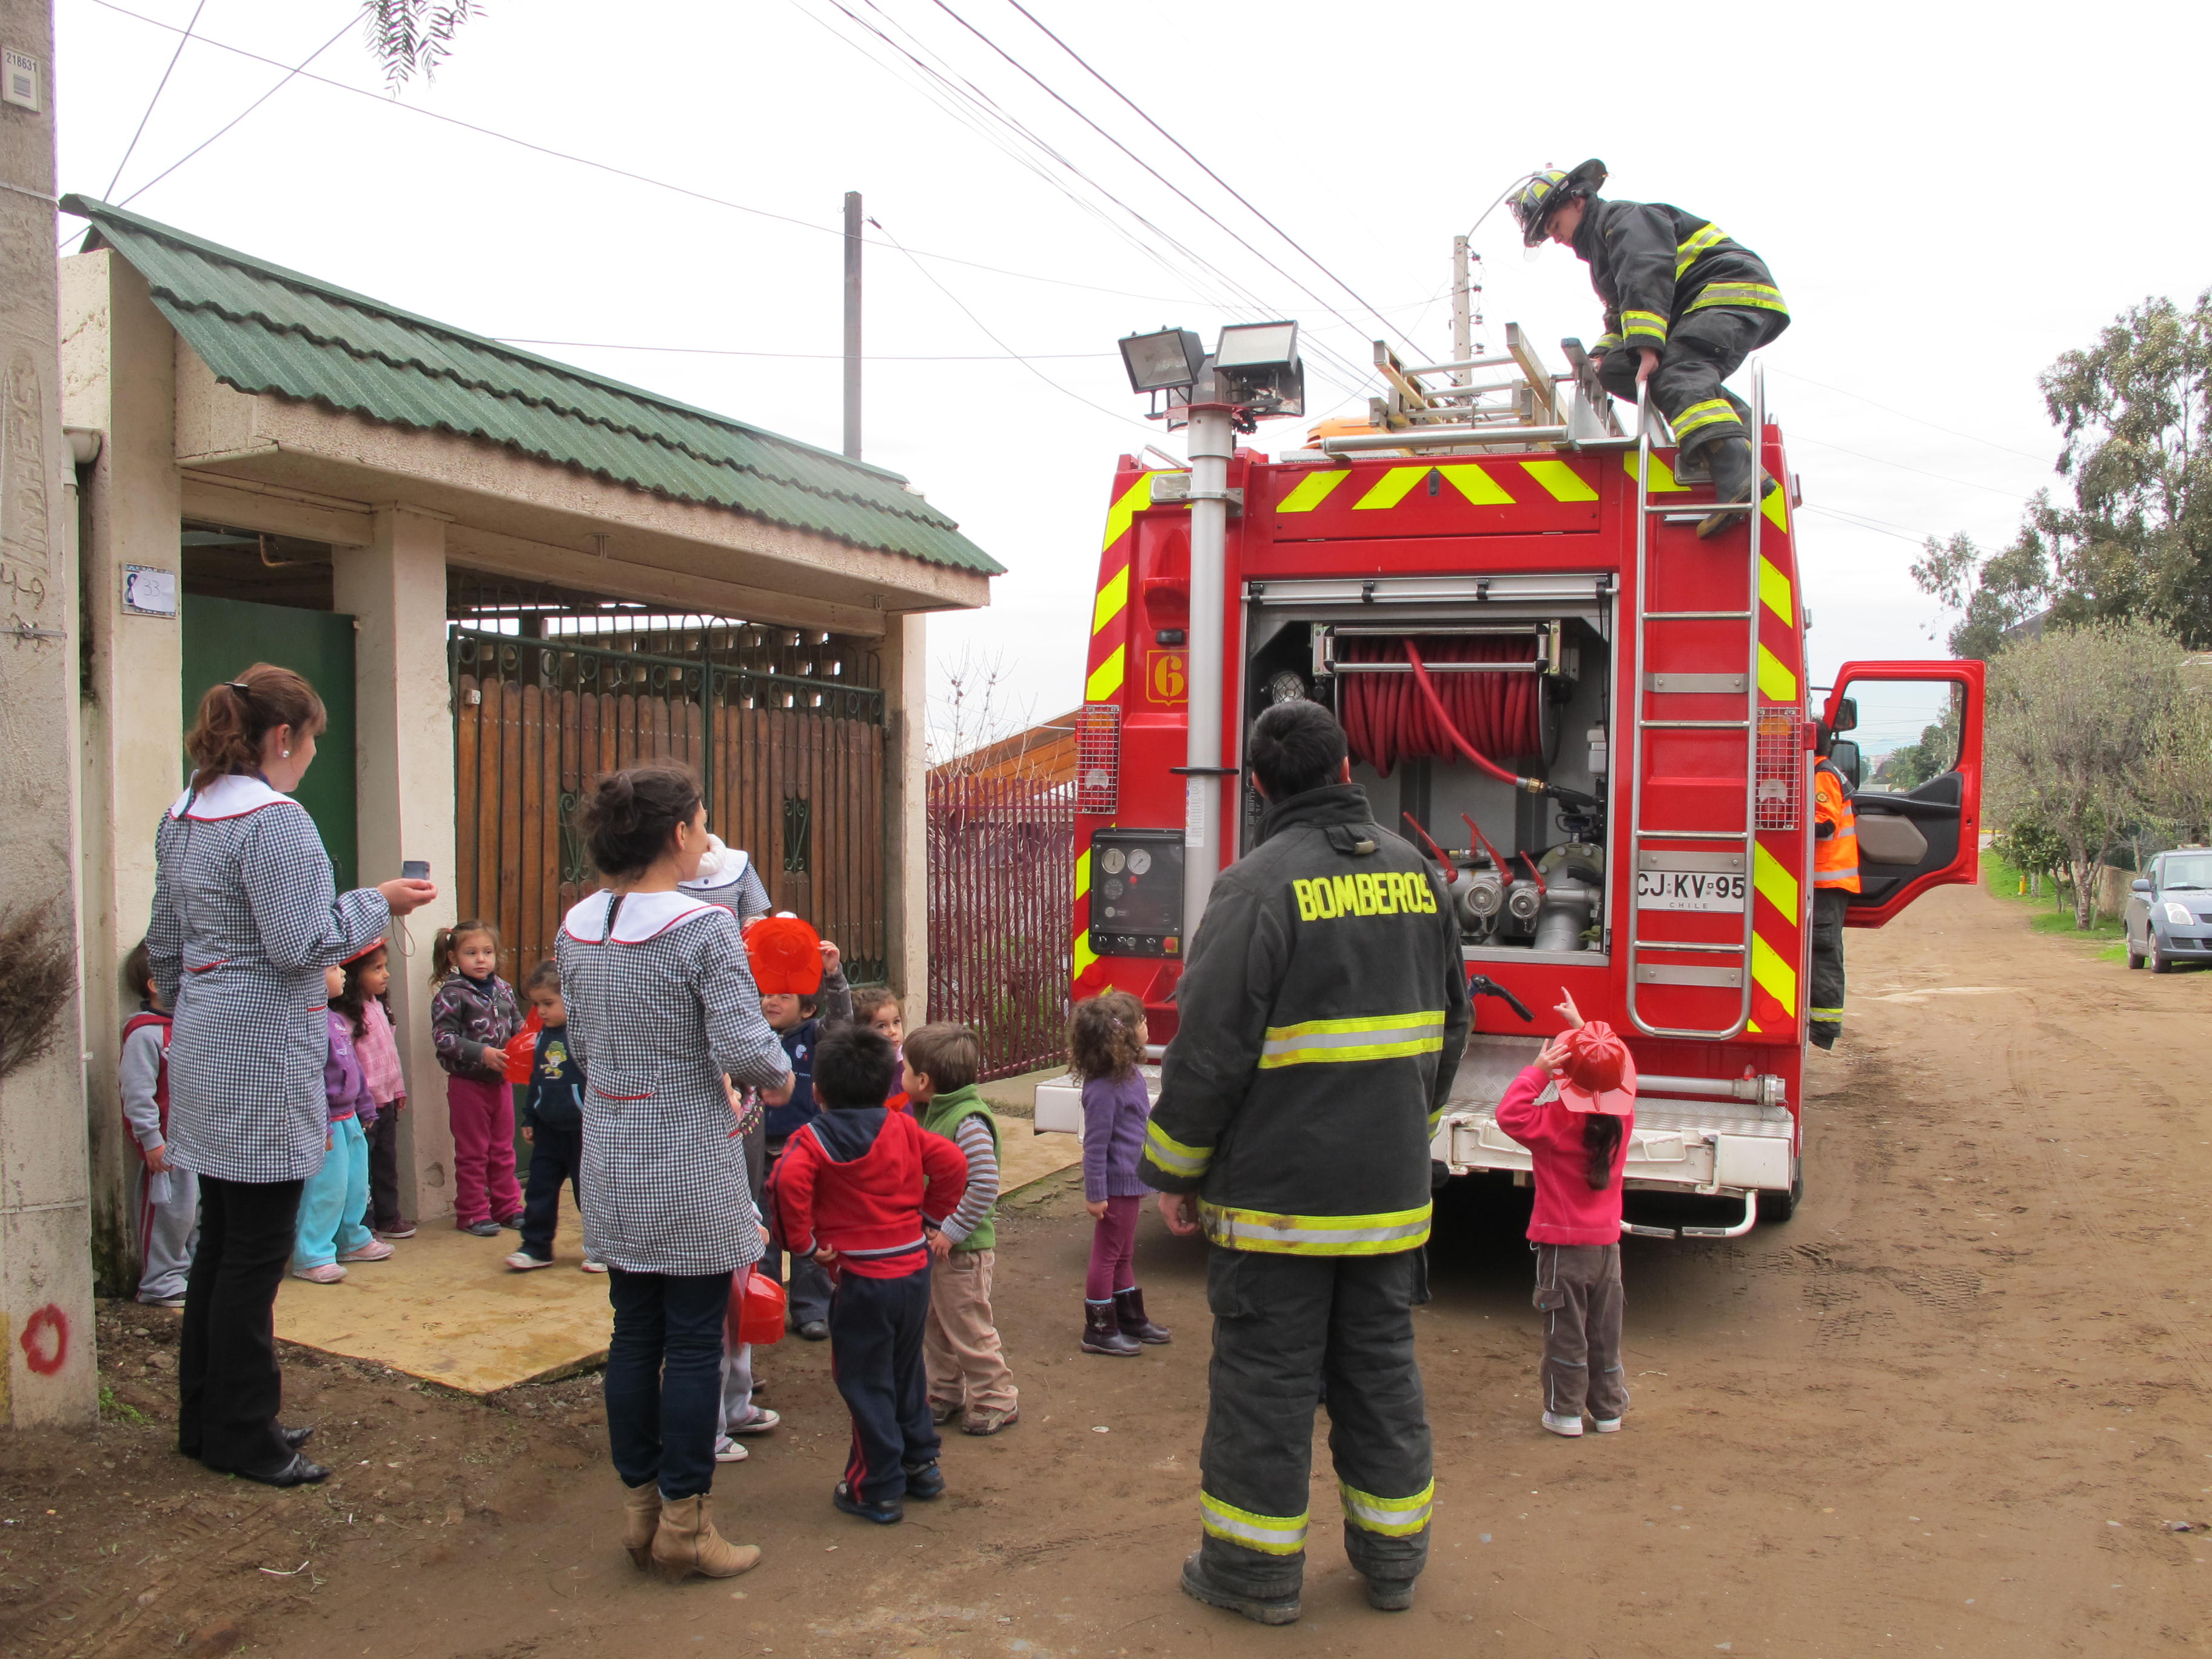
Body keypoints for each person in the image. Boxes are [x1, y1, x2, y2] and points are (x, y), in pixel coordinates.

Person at [1139, 698, 1470, 1624]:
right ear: (1348, 767)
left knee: (1266, 1384)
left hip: (1278, 1208)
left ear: (1257, 784)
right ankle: (1395, 1562)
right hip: (1389, 1199)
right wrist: (1409, 1121)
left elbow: (1209, 1052)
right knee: (1381, 1375)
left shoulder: (1255, 888)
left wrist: (1176, 1171)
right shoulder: (1419, 876)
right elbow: (1455, 1020)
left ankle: (1252, 1576)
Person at [148, 663, 434, 1486]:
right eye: (309, 742)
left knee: (224, 1239)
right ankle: (244, 1431)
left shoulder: (186, 813)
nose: (308, 758)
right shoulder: (277, 823)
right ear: (282, 738)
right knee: (255, 1250)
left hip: (203, 1035)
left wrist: (193, 1005)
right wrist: (378, 902)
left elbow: (165, 940)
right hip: (264, 1044)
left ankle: (208, 1416)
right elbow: (302, 943)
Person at [555, 763, 794, 1583]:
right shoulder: (701, 929)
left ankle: (641, 1512)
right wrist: (781, 1073)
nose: (704, 837)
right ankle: (688, 1526)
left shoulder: (578, 925)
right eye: (700, 822)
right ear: (676, 833)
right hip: (688, 1151)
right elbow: (741, 1044)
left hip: (613, 1150)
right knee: (694, 1340)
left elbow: (582, 1046)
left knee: (633, 1331)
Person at [1510, 158, 1789, 537]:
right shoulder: (1604, 251)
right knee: (1617, 371)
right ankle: (1735, 429)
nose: (1555, 238)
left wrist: (1647, 346)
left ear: (1577, 201)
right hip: (1700, 303)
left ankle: (1737, 474)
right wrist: (1600, 358)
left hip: (1728, 289)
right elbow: (1621, 313)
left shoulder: (1624, 220)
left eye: (1554, 226)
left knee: (1679, 372)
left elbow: (1647, 273)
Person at [770, 1024, 968, 1525]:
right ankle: (921, 1464)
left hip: (862, 1279)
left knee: (864, 1380)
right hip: (913, 1272)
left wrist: (806, 1246)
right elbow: (952, 1163)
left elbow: (785, 1179)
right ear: (890, 1087)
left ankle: (875, 1486)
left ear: (817, 1092)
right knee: (905, 1369)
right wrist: (930, 1215)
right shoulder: (903, 1127)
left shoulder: (811, 1139)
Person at [1492, 993, 1638, 1437]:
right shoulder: (1623, 1118)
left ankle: (1565, 1412)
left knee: (1565, 1332)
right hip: (1606, 1248)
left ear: (1565, 1079)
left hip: (1562, 1252)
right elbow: (1621, 1064)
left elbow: (1509, 1114)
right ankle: (1609, 1411)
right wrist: (1587, 1031)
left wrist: (1539, 1067)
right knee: (1604, 1332)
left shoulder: (1554, 1122)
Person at [905, 1024, 1021, 1436]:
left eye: (905, 1068)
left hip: (962, 1250)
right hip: (937, 1247)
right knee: (935, 1323)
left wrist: (952, 1231)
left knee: (968, 1326)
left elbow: (985, 1183)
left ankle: (996, 1397)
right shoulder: (932, 1112)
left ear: (923, 1080)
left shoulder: (967, 1121)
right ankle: (944, 1391)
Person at [752, 916, 851, 1341]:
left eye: (784, 995)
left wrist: (833, 975)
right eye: (767, 992)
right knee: (765, 1237)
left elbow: (843, 1022)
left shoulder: (814, 1035)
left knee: (808, 1233)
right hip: (757, 1151)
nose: (771, 1000)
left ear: (808, 1007)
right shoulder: (750, 1034)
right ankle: (767, 1303)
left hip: (801, 1152)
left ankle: (812, 1307)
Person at [1070, 989, 1168, 1358]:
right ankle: (1098, 1328)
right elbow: (1095, 1147)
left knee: (1124, 1254)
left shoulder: (1129, 1077)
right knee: (1107, 1255)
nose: (1146, 1025)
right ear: (1121, 1035)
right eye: (1140, 1021)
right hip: (1114, 1187)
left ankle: (1130, 1318)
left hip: (1129, 1181)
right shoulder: (1105, 1090)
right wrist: (1096, 1195)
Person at [290, 963, 390, 1284]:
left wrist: (366, 1107)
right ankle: (312, 1253)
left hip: (350, 1118)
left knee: (356, 1183)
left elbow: (355, 1069)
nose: (343, 973)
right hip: (326, 1123)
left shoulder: (333, 1019)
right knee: (326, 1189)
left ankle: (352, 1238)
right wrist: (320, 1125)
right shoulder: (301, 1023)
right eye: (334, 967)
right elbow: (306, 1080)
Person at [429, 919, 526, 1238]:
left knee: (503, 1149)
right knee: (473, 1151)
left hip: (502, 1082)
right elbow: (444, 1038)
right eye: (471, 953)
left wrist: (531, 1041)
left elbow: (518, 1025)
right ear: (455, 958)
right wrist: (481, 1053)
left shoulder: (504, 989)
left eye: (487, 952)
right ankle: (472, 1212)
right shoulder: (451, 996)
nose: (481, 959)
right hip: (468, 1085)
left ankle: (508, 1206)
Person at [506, 960, 602, 1273]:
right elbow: (537, 1079)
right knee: (540, 1190)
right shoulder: (544, 1037)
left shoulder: (586, 1034)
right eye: (537, 1005)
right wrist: (530, 1117)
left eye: (548, 1003)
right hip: (548, 1129)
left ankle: (601, 1249)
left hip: (583, 1130)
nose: (542, 1011)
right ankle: (536, 1247)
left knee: (589, 1193)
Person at [119, 937, 196, 1309]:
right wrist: (151, 1141)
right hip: (166, 1147)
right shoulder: (144, 1034)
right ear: (155, 984)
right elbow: (137, 1094)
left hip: (201, 1143)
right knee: (168, 1214)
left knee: (195, 1213)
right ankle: (159, 1282)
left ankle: (191, 1272)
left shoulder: (191, 1026)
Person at [337, 942, 412, 1239]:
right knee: (361, 1169)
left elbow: (390, 1054)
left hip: (386, 1103)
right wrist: (361, 1101)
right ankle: (363, 1224)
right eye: (376, 969)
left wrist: (398, 1090)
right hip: (361, 1108)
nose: (386, 975)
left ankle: (389, 1216)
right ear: (355, 975)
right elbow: (349, 1065)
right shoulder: (346, 1016)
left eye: (385, 967)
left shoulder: (379, 1006)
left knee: (386, 1162)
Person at [1810, 720, 1860, 1050]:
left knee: (1823, 953)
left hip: (1827, 881)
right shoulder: (1823, 771)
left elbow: (1824, 823)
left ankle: (1824, 1028)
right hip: (1827, 881)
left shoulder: (1821, 774)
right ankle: (1821, 1024)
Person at [853, 987, 910, 1111]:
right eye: (882, 1026)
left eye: (896, 1022)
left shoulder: (910, 1061)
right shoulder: (863, 1069)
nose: (893, 1032)